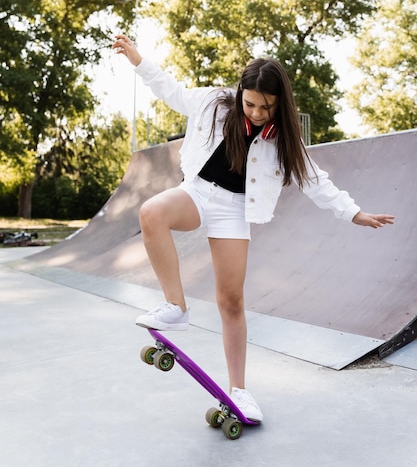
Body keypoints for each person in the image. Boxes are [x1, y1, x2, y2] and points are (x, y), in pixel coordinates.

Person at [112, 33, 395, 422]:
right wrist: (137, 59)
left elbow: (314, 179)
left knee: (231, 302)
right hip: (197, 192)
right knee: (151, 212)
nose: (257, 113)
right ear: (240, 90)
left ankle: (240, 391)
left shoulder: (283, 137)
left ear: (279, 104)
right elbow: (172, 91)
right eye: (250, 104)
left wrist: (353, 213)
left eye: (266, 107)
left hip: (234, 210)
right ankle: (176, 306)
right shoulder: (214, 102)